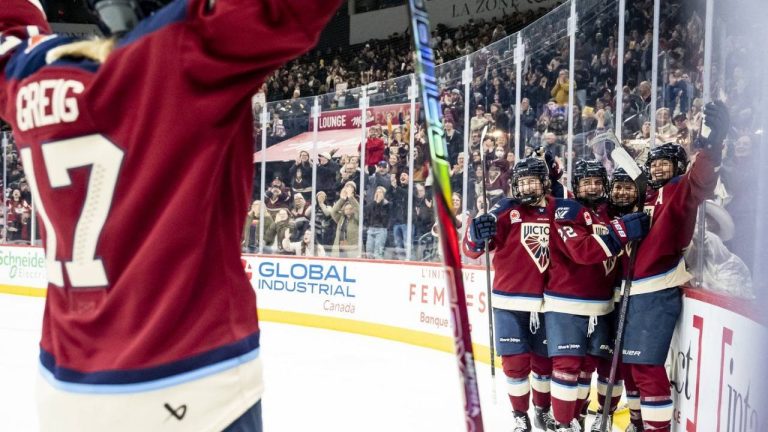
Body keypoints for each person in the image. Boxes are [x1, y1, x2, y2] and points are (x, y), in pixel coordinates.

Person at [0, 0, 343, 430]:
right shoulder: (183, 53)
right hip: (190, 389)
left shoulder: (26, 78)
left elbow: (9, 32)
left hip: (65, 394)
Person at [620, 102, 729, 432]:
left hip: (655, 289)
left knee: (648, 366)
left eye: (666, 164)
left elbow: (702, 180)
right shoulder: (645, 195)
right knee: (632, 367)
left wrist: (711, 147)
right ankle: (638, 423)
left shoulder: (678, 189)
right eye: (654, 165)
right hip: (629, 292)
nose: (658, 170)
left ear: (678, 166)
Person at [546, 160, 649, 432]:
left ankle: (585, 418)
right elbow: (583, 251)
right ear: (576, 186)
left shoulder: (607, 212)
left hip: (603, 306)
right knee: (567, 367)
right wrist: (622, 230)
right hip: (566, 303)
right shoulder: (566, 209)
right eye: (586, 182)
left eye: (597, 182)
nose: (592, 187)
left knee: (593, 366)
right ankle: (564, 423)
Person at [462, 158, 556, 432]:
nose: (527, 187)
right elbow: (472, 250)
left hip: (547, 301)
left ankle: (542, 410)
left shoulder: (556, 209)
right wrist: (476, 235)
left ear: (544, 183)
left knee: (543, 363)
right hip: (508, 301)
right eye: (522, 182)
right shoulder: (503, 210)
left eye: (533, 181)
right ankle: (520, 415)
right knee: (515, 364)